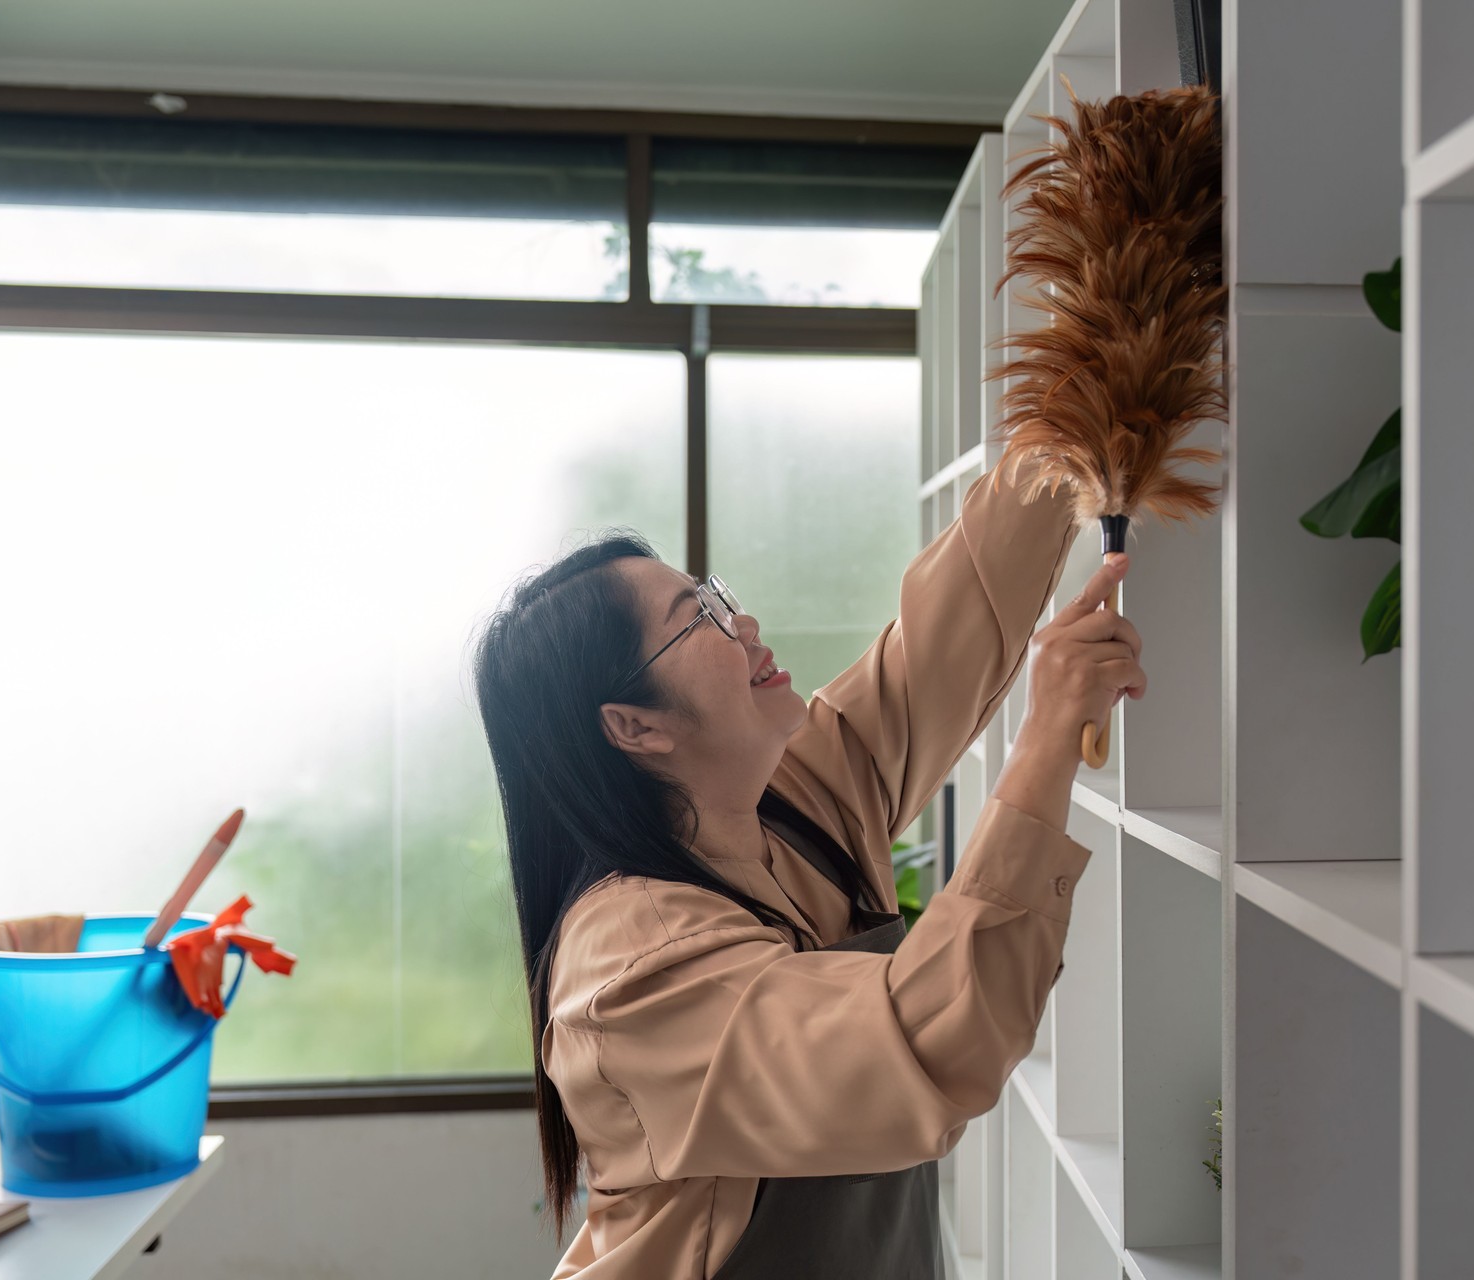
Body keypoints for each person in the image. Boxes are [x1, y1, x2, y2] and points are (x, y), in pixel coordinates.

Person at [472, 462, 1146, 1279]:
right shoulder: (629, 969)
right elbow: (924, 1048)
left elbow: (946, 641)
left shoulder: (789, 806)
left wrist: (1067, 430)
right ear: (634, 725)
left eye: (715, 594)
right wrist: (1046, 741)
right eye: (700, 621)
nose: (742, 621)